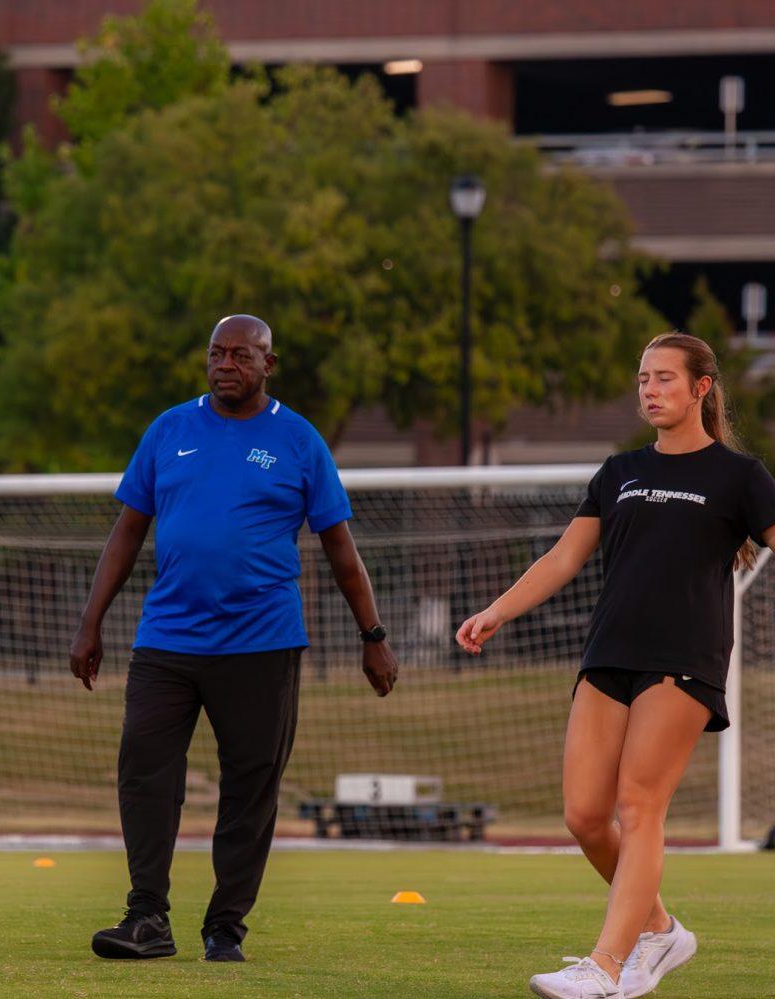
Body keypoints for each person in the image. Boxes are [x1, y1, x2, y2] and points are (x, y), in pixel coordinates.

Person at [69, 314, 398, 963]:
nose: (226, 364)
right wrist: (90, 621)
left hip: (262, 643)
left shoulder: (299, 441)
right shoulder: (169, 429)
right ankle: (147, 918)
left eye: (241, 355)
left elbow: (341, 549)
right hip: (167, 639)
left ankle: (225, 926)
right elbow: (128, 531)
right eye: (217, 353)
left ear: (267, 364)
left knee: (250, 787)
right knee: (144, 770)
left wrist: (374, 635)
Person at [456, 332, 775, 999]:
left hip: (685, 659)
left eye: (664, 378)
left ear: (701, 388)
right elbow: (562, 559)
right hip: (609, 652)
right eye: (642, 380)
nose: (650, 390)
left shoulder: (738, 477)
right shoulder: (619, 470)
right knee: (583, 814)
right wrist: (497, 610)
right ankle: (659, 930)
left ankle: (605, 966)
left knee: (639, 805)